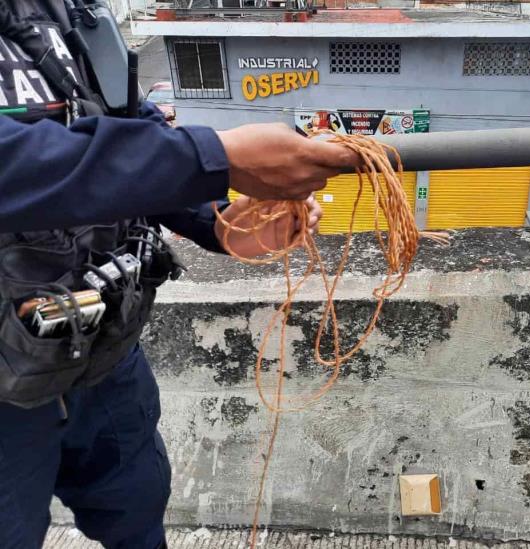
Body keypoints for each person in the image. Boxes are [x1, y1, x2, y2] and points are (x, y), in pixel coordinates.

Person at [0, 1, 359, 548]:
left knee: (138, 516)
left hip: (106, 360)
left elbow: (121, 116)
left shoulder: (62, 8)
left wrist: (214, 221)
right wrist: (211, 157)